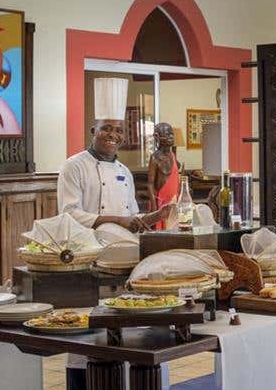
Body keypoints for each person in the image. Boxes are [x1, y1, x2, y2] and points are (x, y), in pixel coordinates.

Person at [57, 77, 171, 390]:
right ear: (92, 130)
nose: (113, 135)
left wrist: (153, 217)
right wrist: (116, 220)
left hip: (121, 264)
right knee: (86, 337)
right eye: (106, 128)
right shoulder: (73, 166)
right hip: (86, 261)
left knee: (126, 332)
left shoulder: (123, 172)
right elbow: (69, 213)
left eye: (119, 130)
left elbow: (131, 216)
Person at [147, 122, 180, 230]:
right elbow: (150, 184)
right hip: (160, 205)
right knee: (161, 234)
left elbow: (177, 176)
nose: (171, 137)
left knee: (175, 231)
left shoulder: (173, 155)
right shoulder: (154, 158)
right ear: (157, 136)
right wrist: (154, 208)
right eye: (167, 134)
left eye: (172, 134)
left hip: (174, 202)